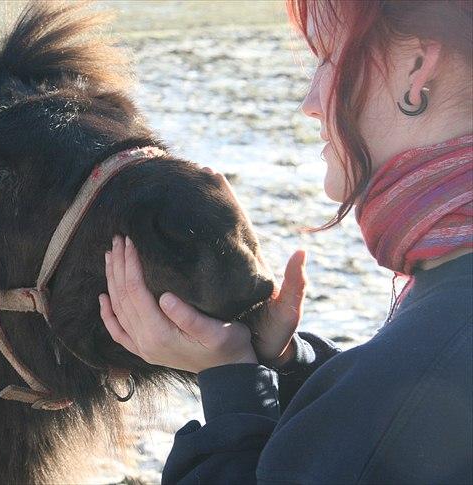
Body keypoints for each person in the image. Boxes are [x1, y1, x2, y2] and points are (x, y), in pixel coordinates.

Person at [98, 1, 473, 483]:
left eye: (326, 58)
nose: (310, 102)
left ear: (415, 69)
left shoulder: (438, 348)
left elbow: (402, 417)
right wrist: (289, 363)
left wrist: (228, 377)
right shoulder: (447, 292)